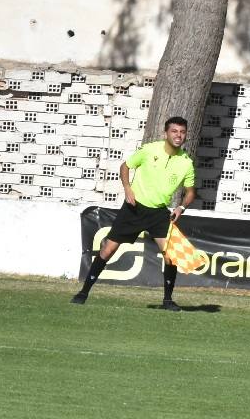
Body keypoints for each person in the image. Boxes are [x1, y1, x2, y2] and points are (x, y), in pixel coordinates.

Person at [72, 116, 197, 310]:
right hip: (134, 209)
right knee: (108, 250)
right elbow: (125, 166)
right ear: (166, 133)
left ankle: (167, 301)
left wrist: (181, 207)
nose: (178, 135)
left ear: (186, 134)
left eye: (182, 132)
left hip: (158, 214)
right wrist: (127, 188)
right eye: (174, 131)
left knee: (170, 256)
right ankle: (83, 292)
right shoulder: (149, 150)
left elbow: (190, 192)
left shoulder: (186, 162)